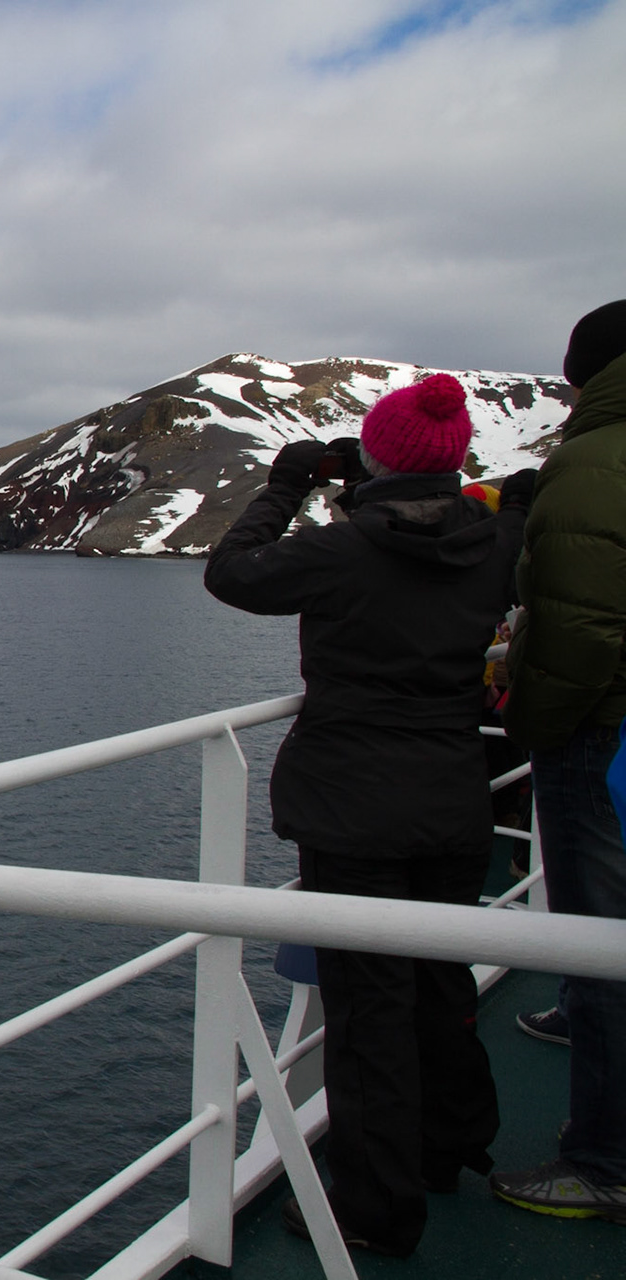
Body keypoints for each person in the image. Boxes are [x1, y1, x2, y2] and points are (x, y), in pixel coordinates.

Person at [205, 373, 532, 1256]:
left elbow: (232, 574)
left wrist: (286, 486)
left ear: (377, 455)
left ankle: (372, 1212)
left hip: (354, 808)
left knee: (368, 1015)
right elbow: (449, 522)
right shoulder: (495, 541)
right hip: (454, 797)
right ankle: (452, 1145)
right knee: (437, 978)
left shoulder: (343, 551)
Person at [491, 299, 626, 1223]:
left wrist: (530, 723)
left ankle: (608, 1160)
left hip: (600, 737)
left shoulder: (593, 460)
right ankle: (580, 1012)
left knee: (599, 920)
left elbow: (579, 626)